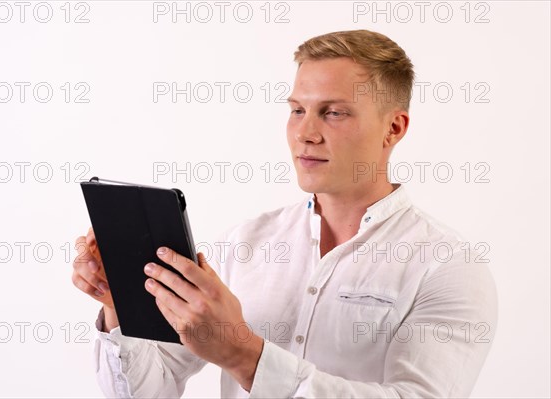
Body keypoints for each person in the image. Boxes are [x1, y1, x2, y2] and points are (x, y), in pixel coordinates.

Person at [72, 30, 497, 398]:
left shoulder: (448, 267)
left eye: (334, 112)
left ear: (394, 128)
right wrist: (118, 306)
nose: (305, 134)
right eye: (297, 110)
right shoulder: (243, 243)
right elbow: (147, 391)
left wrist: (244, 355)